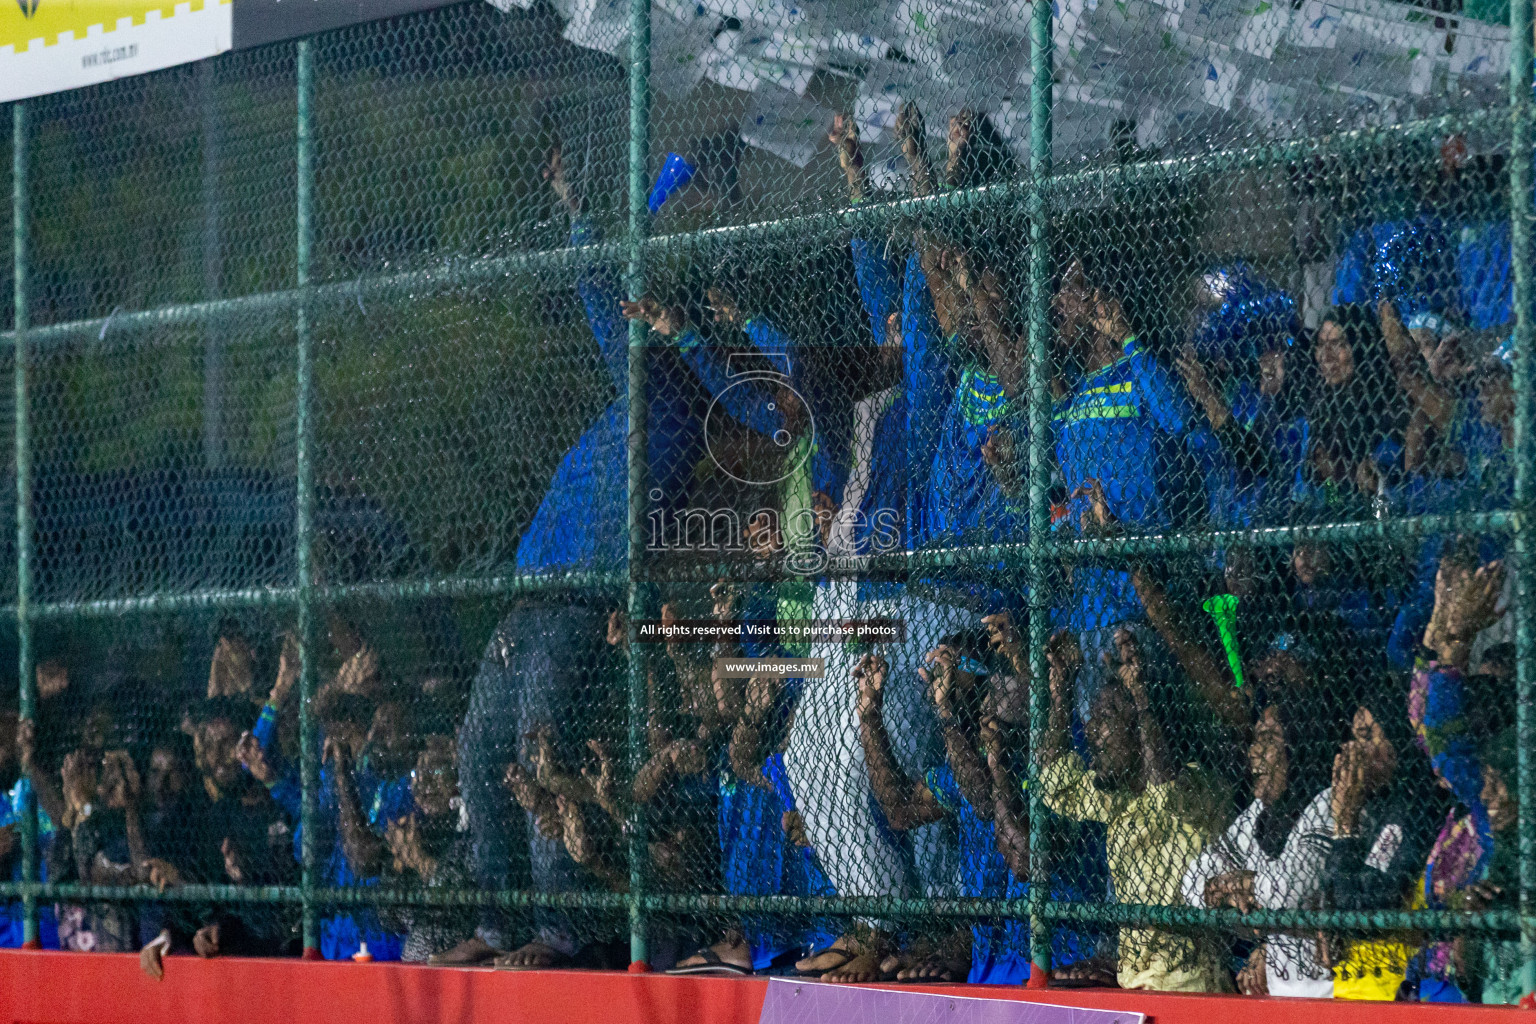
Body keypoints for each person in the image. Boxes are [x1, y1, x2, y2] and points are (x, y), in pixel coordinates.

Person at [437, 140, 704, 969]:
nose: (628, 323)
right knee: (479, 751)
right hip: (530, 599)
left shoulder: (671, 397)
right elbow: (604, 302)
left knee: (536, 752)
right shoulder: (634, 391)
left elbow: (606, 303)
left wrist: (586, 219)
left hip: (580, 607)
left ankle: (558, 933)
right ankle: (493, 924)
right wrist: (573, 205)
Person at [1039, 628, 1233, 992]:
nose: (1093, 730)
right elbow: (1054, 784)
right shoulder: (1119, 799)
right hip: (1135, 984)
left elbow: (1169, 793)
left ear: (1141, 724)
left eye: (1107, 715)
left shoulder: (1201, 786)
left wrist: (1142, 699)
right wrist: (1061, 690)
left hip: (1190, 987)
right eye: (1092, 716)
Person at [1181, 703, 1336, 998]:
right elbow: (1192, 881)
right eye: (1255, 739)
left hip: (1327, 996)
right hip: (1278, 992)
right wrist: (1234, 891)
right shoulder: (1259, 812)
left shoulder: (1327, 803)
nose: (1253, 751)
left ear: (1297, 746)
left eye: (1269, 739)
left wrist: (1245, 885)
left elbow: (1288, 889)